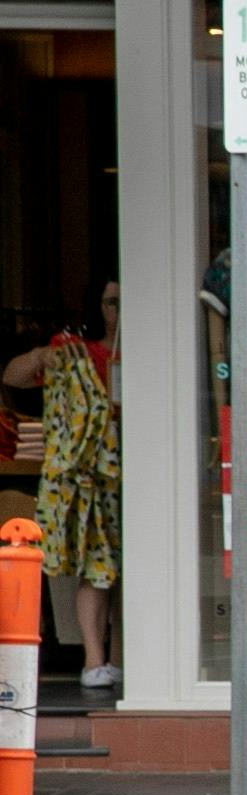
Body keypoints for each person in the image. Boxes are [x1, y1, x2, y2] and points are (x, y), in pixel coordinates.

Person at [3, 282, 118, 690]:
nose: (117, 311)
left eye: (124, 302)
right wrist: (39, 355)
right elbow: (12, 376)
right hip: (90, 474)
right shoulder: (75, 352)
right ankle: (94, 659)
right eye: (110, 302)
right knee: (96, 565)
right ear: (96, 306)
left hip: (142, 469)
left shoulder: (152, 346)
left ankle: (121, 660)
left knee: (129, 568)